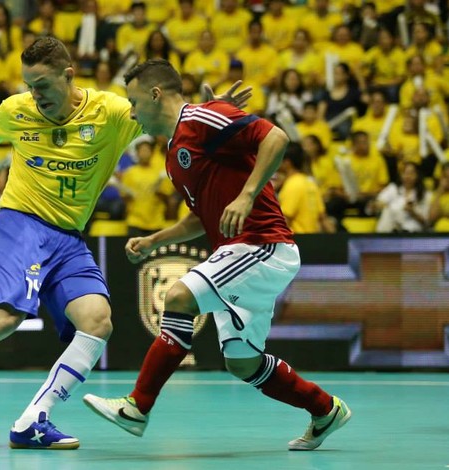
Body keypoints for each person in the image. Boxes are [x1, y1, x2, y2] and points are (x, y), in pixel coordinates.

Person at [0, 37, 249, 450]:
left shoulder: (113, 114)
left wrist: (212, 112)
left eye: (43, 85)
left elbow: (167, 115)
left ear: (69, 76)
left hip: (68, 237)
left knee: (97, 321)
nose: (36, 95)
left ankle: (32, 420)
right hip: (22, 222)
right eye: (29, 85)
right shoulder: (19, 110)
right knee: (6, 316)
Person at [82, 59, 351, 451]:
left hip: (262, 244)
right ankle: (325, 409)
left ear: (156, 94)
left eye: (134, 101)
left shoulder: (200, 119)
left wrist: (247, 194)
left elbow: (275, 138)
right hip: (241, 252)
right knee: (243, 362)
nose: (133, 112)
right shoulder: (174, 156)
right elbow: (201, 217)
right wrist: (156, 239)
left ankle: (137, 407)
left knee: (177, 297)